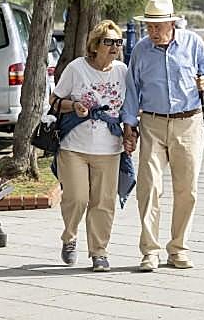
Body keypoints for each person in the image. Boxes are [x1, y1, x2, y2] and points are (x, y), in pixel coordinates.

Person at [121, 0, 204, 272]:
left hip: (188, 122)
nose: (152, 31)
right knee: (149, 187)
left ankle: (178, 248)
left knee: (187, 189)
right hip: (152, 123)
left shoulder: (192, 43)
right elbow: (132, 89)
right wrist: (129, 125)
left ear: (171, 23)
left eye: (157, 26)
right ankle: (150, 251)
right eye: (149, 26)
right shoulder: (141, 50)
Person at [51, 20, 130, 273]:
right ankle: (69, 236)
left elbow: (129, 108)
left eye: (118, 42)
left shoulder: (122, 71)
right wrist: (74, 106)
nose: (115, 47)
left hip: (110, 148)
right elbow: (54, 100)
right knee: (77, 198)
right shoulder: (76, 68)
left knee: (104, 203)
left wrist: (131, 131)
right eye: (109, 42)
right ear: (95, 45)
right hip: (74, 146)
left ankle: (99, 252)